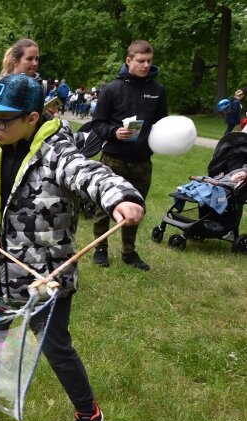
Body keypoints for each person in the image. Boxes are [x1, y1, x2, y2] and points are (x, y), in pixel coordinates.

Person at [0, 74, 146, 421]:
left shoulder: (56, 154)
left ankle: (88, 414)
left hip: (44, 278)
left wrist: (121, 197)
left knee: (55, 348)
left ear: (32, 118)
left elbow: (90, 174)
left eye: (2, 121)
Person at [91, 40, 168, 271]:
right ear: (128, 60)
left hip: (142, 161)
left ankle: (129, 251)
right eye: (140, 61)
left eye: (149, 61)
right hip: (114, 158)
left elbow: (162, 125)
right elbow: (97, 124)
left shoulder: (157, 90)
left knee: (136, 207)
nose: (145, 65)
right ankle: (100, 249)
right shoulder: (112, 88)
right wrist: (114, 132)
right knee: (103, 207)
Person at [0, 39, 41, 163]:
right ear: (15, 61)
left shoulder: (38, 88)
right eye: (30, 59)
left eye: (37, 59)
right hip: (0, 153)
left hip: (29, 154)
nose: (35, 63)